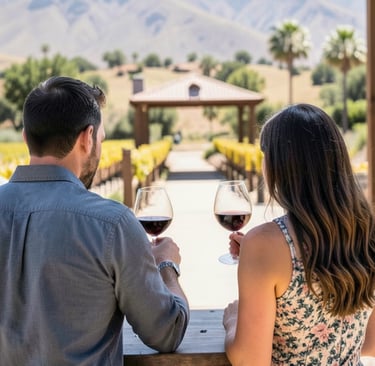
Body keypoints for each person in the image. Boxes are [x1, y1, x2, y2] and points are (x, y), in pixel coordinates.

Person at [0, 76, 189, 365]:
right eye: (100, 139)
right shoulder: (112, 224)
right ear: (87, 138)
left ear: (25, 137)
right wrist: (166, 266)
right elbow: (166, 332)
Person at [222, 103, 375, 365]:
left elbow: (249, 360)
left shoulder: (263, 244)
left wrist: (232, 320)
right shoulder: (366, 230)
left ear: (281, 165)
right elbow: (370, 343)